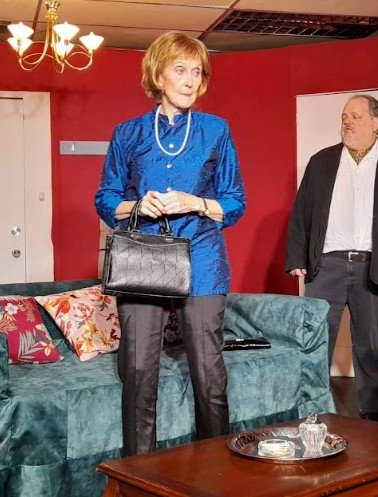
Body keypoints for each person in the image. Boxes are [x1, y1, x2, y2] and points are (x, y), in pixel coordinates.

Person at [95, 31, 246, 456]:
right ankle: (138, 475)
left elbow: (235, 202)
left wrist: (195, 202)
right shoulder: (128, 133)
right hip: (143, 260)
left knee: (210, 378)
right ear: (158, 75)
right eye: (180, 70)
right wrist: (137, 204)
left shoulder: (216, 130)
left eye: (197, 72)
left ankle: (216, 471)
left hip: (203, 259)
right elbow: (105, 199)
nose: (190, 81)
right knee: (138, 375)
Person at [285, 94, 378, 422]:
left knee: (368, 344)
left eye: (355, 116)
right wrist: (297, 256)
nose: (347, 122)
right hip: (326, 266)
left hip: (374, 266)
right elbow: (301, 212)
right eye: (344, 117)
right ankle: (311, 409)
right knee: (315, 340)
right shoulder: (321, 162)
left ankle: (373, 413)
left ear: (375, 123)